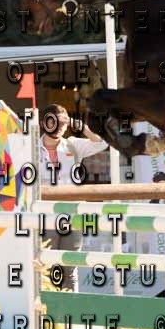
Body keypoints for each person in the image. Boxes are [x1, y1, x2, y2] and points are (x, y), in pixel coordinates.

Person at [38, 104, 109, 292]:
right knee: (47, 267)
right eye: (54, 122)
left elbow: (102, 142)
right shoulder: (31, 147)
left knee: (70, 267)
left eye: (63, 123)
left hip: (73, 214)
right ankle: (47, 307)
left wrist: (79, 125)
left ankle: (72, 308)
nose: (59, 127)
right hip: (45, 216)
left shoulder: (72, 144)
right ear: (43, 123)